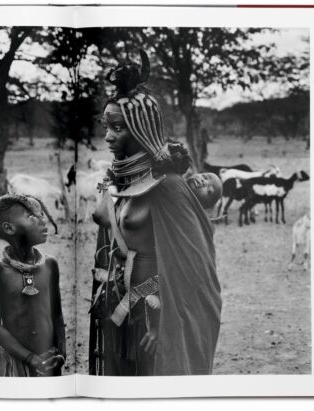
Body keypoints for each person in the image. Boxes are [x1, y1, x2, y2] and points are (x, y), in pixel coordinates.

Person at [89, 51, 222, 376]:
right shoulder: (122, 182)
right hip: (119, 305)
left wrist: (164, 324)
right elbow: (106, 228)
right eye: (106, 126)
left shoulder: (168, 187)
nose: (108, 136)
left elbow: (195, 272)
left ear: (141, 128)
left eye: (118, 128)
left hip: (157, 314)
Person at [0, 194, 66, 377]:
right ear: (9, 228)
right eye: (32, 216)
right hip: (15, 363)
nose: (43, 221)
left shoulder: (50, 264)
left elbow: (57, 315)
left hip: (50, 360)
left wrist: (61, 354)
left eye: (42, 215)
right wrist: (31, 359)